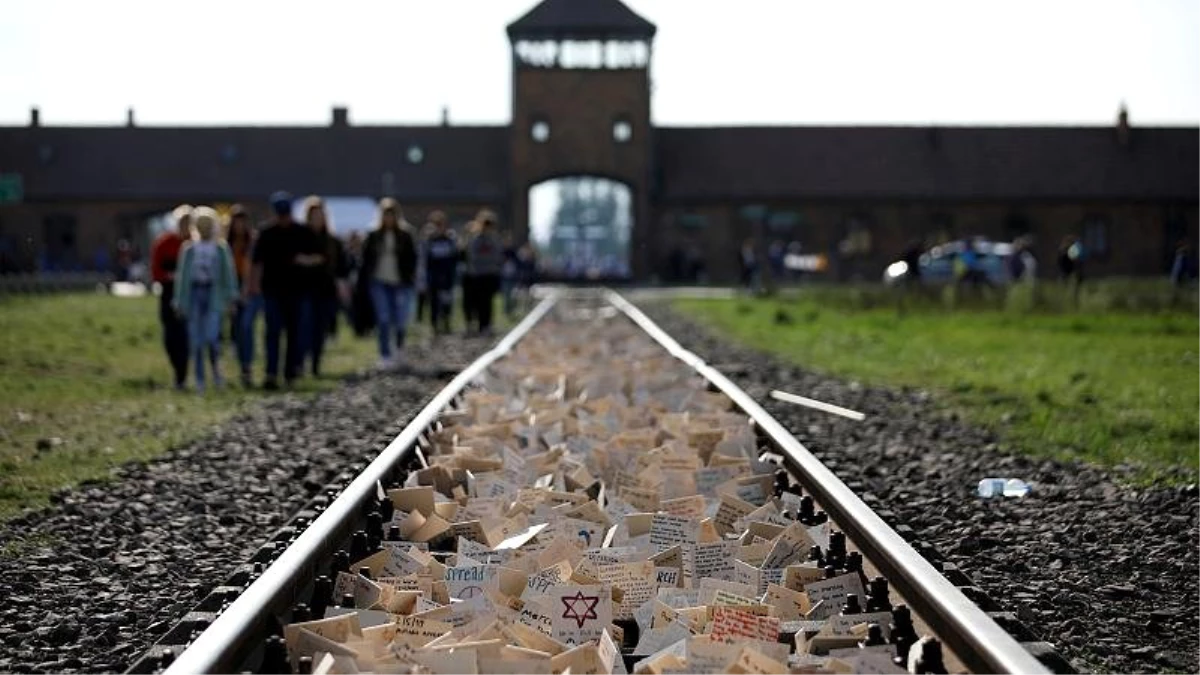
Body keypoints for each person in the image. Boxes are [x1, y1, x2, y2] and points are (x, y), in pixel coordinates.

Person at [251, 191, 321, 390]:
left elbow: (319, 257)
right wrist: (253, 286)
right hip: (272, 291)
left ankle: (290, 372)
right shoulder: (266, 233)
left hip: (296, 291)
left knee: (294, 333)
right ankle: (271, 373)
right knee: (272, 333)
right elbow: (256, 262)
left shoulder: (302, 232)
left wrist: (304, 260)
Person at [173, 206, 238, 392]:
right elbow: (183, 278)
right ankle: (200, 380)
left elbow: (228, 275)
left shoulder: (220, 249)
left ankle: (217, 374)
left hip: (213, 294)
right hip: (195, 294)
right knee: (197, 340)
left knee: (212, 337)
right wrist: (180, 302)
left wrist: (231, 298)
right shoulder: (189, 250)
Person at [359, 198, 417, 368]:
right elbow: (366, 260)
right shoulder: (373, 235)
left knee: (400, 319)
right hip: (379, 281)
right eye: (386, 215)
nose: (389, 219)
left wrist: (411, 277)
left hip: (399, 282)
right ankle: (384, 354)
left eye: (391, 215)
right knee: (383, 318)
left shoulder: (405, 235)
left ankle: (399, 349)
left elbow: (412, 259)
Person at [303, 197, 348, 377]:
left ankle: (315, 364)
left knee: (320, 329)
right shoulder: (301, 237)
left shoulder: (332, 241)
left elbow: (340, 267)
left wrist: (342, 287)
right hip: (305, 290)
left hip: (325, 291)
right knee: (305, 327)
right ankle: (302, 362)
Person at [150, 205, 193, 389]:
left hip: (189, 294)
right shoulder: (163, 243)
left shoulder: (194, 245)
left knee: (184, 336)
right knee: (170, 336)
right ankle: (176, 368)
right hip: (168, 292)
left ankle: (182, 376)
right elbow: (155, 271)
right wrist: (169, 276)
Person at [465, 210, 504, 336]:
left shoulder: (495, 240)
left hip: (490, 274)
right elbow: (472, 256)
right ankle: (478, 324)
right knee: (477, 301)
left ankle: (486, 325)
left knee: (488, 301)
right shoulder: (475, 240)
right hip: (477, 275)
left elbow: (498, 256)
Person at [424, 210, 459, 336]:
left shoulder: (449, 240)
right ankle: (434, 325)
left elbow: (455, 258)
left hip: (447, 277)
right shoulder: (429, 241)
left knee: (447, 302)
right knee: (434, 303)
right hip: (433, 277)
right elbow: (426, 260)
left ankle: (446, 323)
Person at [225, 205, 254, 355]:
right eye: (237, 222)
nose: (240, 226)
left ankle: (246, 347)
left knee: (246, 319)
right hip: (232, 280)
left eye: (242, 222)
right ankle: (234, 342)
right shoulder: (226, 244)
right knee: (234, 316)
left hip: (247, 281)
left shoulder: (251, 242)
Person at [460, 219, 482, 329]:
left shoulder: (479, 244)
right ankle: (468, 322)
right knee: (467, 301)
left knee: (477, 300)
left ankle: (478, 321)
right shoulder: (462, 246)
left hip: (478, 276)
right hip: (467, 276)